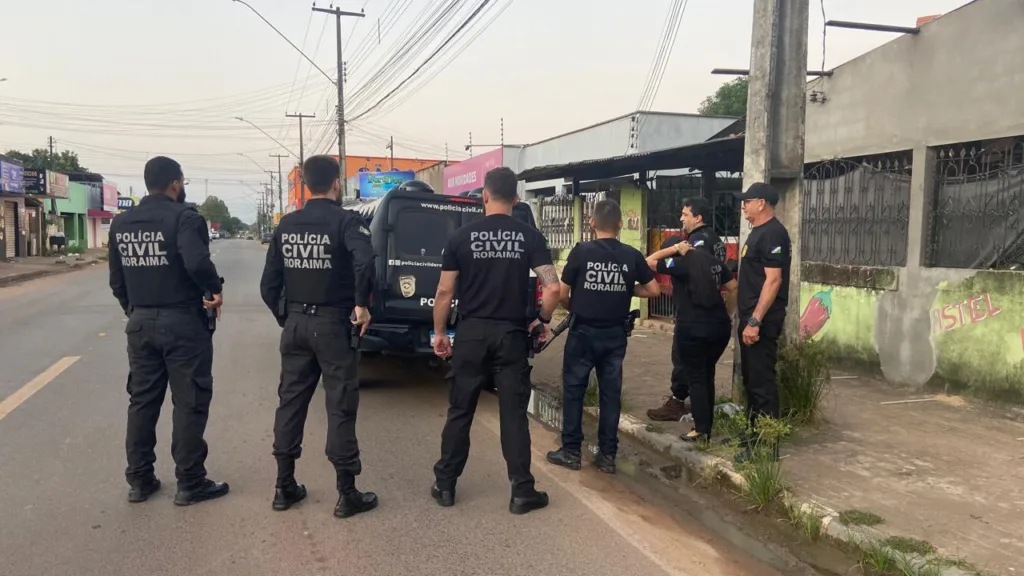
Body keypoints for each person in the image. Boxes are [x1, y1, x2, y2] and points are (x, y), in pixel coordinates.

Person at [430, 166, 560, 515]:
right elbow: (553, 288)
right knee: (513, 414)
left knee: (460, 411)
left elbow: (444, 291)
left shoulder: (460, 237)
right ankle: (521, 491)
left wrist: (440, 333)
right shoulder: (529, 236)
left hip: (471, 334)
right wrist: (543, 321)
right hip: (511, 336)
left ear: (484, 195)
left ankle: (445, 485)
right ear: (516, 199)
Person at [259, 155, 378, 518]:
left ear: (307, 184)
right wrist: (361, 304)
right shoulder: (346, 222)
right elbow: (365, 261)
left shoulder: (287, 225)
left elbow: (268, 283)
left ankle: (284, 486)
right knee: (340, 404)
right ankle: (346, 493)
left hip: (296, 323)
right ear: (337, 183)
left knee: (290, 402)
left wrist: (287, 316)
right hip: (332, 325)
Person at [108, 156, 227, 506]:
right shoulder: (185, 218)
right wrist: (214, 288)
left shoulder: (121, 224)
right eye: (183, 181)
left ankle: (140, 480)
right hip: (183, 323)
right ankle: (190, 482)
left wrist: (135, 310)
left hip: (140, 323)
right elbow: (196, 261)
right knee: (189, 401)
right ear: (175, 183)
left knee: (142, 402)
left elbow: (116, 280)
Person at [545, 200, 660, 474]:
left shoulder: (581, 251)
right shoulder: (632, 255)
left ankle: (571, 452)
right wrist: (625, 289)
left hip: (583, 331)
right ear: (620, 225)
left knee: (574, 391)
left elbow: (562, 292)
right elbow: (654, 290)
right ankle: (607, 456)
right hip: (615, 335)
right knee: (610, 396)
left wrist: (574, 307)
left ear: (592, 223)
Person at [645, 237, 738, 443]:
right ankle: (707, 426)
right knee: (707, 374)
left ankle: (701, 430)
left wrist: (674, 249)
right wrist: (729, 314)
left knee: (696, 378)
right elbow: (733, 287)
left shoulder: (679, 263)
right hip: (719, 327)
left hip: (693, 327)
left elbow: (648, 261)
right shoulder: (714, 263)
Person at [647, 197, 727, 422]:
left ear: (698, 217)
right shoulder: (715, 239)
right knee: (704, 368)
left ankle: (678, 401)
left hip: (692, 313)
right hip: (713, 313)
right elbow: (730, 282)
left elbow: (652, 262)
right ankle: (702, 410)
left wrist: (674, 249)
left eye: (685, 214)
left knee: (682, 358)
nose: (681, 218)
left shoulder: (697, 242)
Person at [733, 182, 791, 462]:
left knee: (762, 383)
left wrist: (755, 320)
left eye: (748, 200)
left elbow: (774, 280)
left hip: (762, 321)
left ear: (763, 203)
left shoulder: (774, 233)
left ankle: (767, 446)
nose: (743, 205)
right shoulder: (758, 232)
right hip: (749, 318)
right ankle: (753, 434)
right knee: (751, 380)